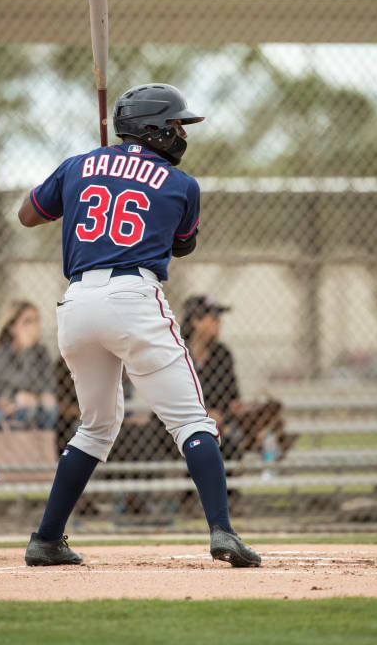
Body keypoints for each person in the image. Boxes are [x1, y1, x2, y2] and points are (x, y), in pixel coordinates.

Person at [18, 82, 261, 568]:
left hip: (78, 302)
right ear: (151, 128)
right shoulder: (181, 184)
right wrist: (122, 175)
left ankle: (46, 539)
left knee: (95, 428)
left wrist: (91, 173)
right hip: (133, 298)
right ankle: (223, 531)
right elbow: (182, 245)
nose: (179, 133)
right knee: (192, 420)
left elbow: (27, 216)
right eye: (173, 124)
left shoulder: (79, 164)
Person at [182, 295, 296, 460]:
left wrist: (241, 408)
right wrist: (205, 414)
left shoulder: (222, 355)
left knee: (232, 443)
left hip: (220, 427)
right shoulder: (176, 353)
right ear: (196, 321)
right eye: (213, 318)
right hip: (183, 427)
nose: (219, 322)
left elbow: (231, 397)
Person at [0, 301, 58, 454]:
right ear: (12, 328)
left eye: (37, 320)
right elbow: (25, 382)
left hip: (26, 410)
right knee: (22, 403)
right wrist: (26, 350)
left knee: (50, 406)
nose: (34, 326)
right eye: (27, 322)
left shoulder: (42, 352)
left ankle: (36, 459)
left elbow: (50, 385)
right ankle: (7, 461)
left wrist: (35, 397)